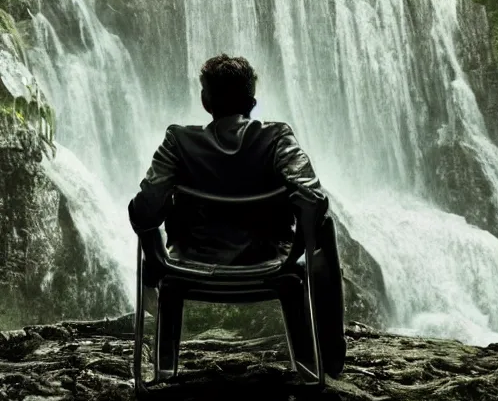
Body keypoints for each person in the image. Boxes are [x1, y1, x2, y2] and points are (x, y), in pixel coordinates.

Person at [128, 54, 345, 377]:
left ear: (205, 101)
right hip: (269, 261)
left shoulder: (178, 141)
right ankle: (329, 356)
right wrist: (295, 252)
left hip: (187, 264)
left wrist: (156, 258)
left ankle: (164, 367)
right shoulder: (277, 138)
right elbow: (312, 199)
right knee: (323, 224)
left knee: (146, 215)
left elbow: (145, 206)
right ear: (253, 102)